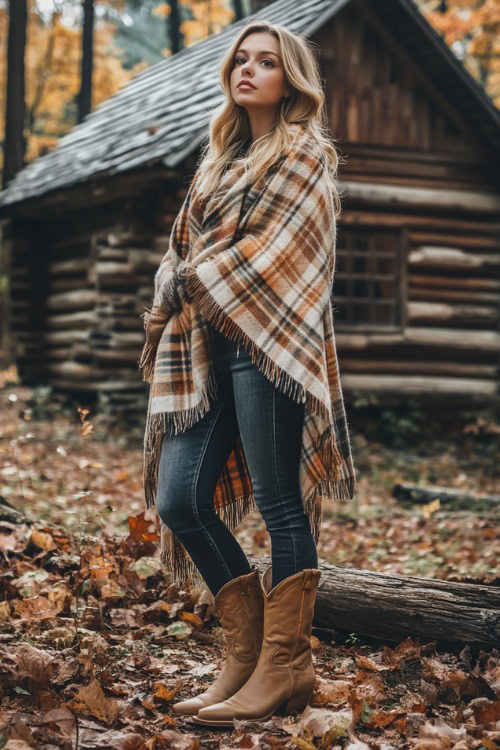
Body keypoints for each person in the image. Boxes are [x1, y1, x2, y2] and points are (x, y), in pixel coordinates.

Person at [138, 19, 356, 726]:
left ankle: (286, 668)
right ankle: (247, 655)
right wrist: (180, 276)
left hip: (269, 341)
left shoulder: (307, 157)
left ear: (291, 80)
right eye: (241, 59)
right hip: (205, 342)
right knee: (179, 499)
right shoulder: (218, 161)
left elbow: (287, 252)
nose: (249, 69)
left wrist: (191, 275)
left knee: (278, 503)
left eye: (266, 61)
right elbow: (181, 252)